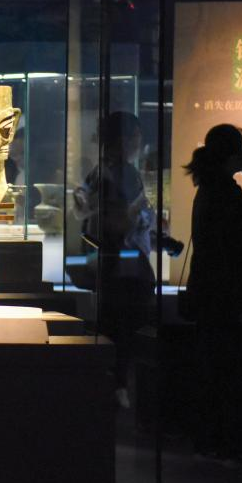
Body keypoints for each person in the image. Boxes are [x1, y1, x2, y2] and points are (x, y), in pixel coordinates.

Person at [184, 125, 242, 468]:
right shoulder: (224, 193)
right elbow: (233, 254)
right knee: (234, 374)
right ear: (235, 155)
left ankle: (212, 441)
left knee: (214, 371)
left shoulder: (209, 189)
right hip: (229, 301)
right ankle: (234, 445)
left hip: (213, 298)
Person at [73, 111, 156, 409]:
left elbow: (84, 211)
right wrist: (140, 213)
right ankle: (118, 390)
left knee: (112, 329)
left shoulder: (97, 171)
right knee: (126, 333)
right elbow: (121, 222)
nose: (138, 142)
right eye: (135, 136)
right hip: (125, 265)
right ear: (127, 139)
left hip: (108, 262)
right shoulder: (125, 173)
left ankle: (111, 388)